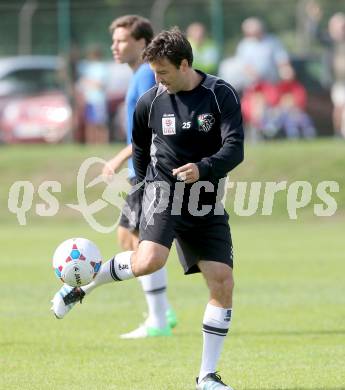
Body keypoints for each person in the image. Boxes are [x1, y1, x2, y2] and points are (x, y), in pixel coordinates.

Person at [51, 27, 244, 390]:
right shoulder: (151, 101)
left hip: (206, 199)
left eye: (163, 73)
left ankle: (207, 376)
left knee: (222, 281)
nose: (157, 80)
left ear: (185, 63)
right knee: (148, 261)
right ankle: (80, 288)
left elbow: (236, 148)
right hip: (164, 192)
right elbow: (139, 147)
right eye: (153, 73)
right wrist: (142, 188)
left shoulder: (220, 95)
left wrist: (204, 168)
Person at [100, 15, 177, 339]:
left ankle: (160, 317)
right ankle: (161, 313)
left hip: (148, 173)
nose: (115, 47)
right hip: (142, 172)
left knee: (138, 244)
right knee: (129, 239)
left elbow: (152, 127)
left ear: (142, 43)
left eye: (122, 41)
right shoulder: (137, 76)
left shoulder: (147, 74)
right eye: (114, 41)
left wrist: (118, 157)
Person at [218, 17, 292, 92]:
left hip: (269, 78)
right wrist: (253, 74)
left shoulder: (273, 41)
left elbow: (282, 60)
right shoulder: (245, 44)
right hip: (250, 78)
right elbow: (243, 64)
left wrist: (286, 70)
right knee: (227, 67)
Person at [77, 45, 109, 143]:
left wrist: (90, 82)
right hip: (89, 99)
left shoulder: (102, 67)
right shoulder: (87, 67)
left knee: (100, 123)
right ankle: (91, 143)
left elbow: (101, 84)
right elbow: (82, 83)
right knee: (89, 123)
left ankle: (103, 143)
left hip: (98, 100)